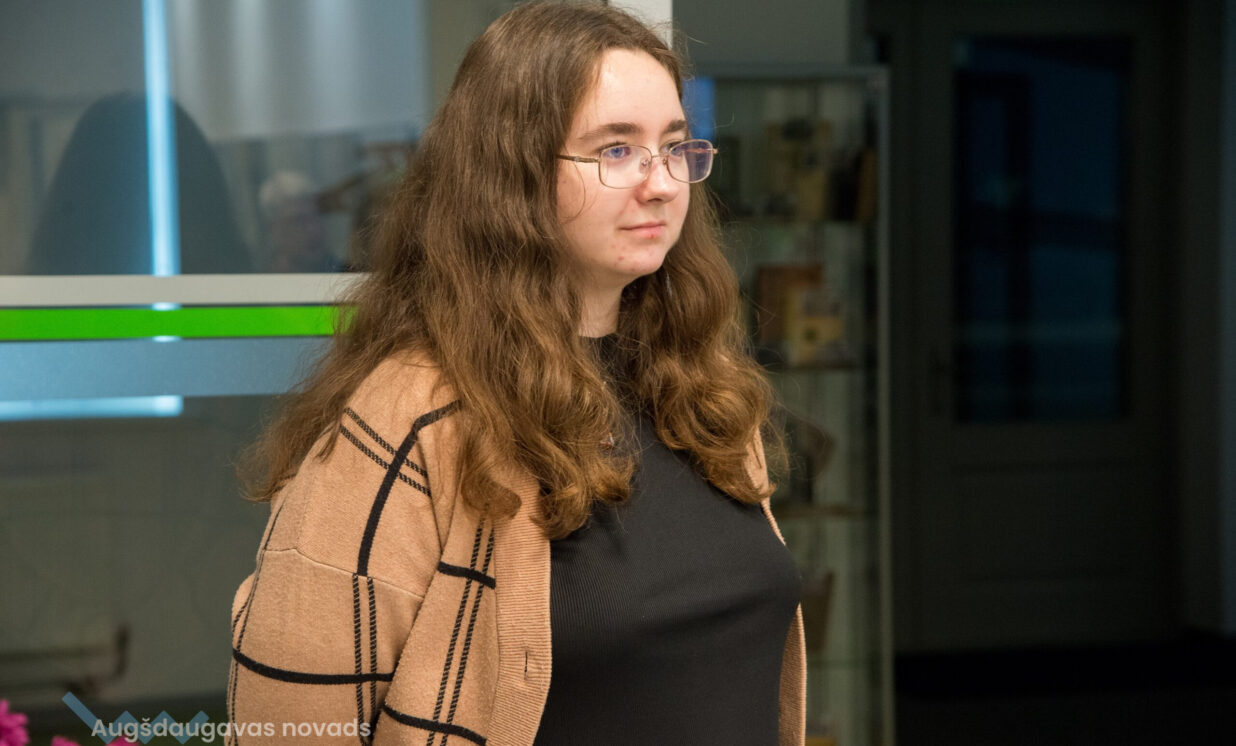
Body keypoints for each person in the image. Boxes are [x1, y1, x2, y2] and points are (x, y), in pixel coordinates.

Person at [227, 3, 805, 744]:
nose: (662, 183)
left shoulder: (699, 387)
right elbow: (286, 725)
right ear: (512, 176)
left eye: (672, 146)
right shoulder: (412, 415)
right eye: (616, 150)